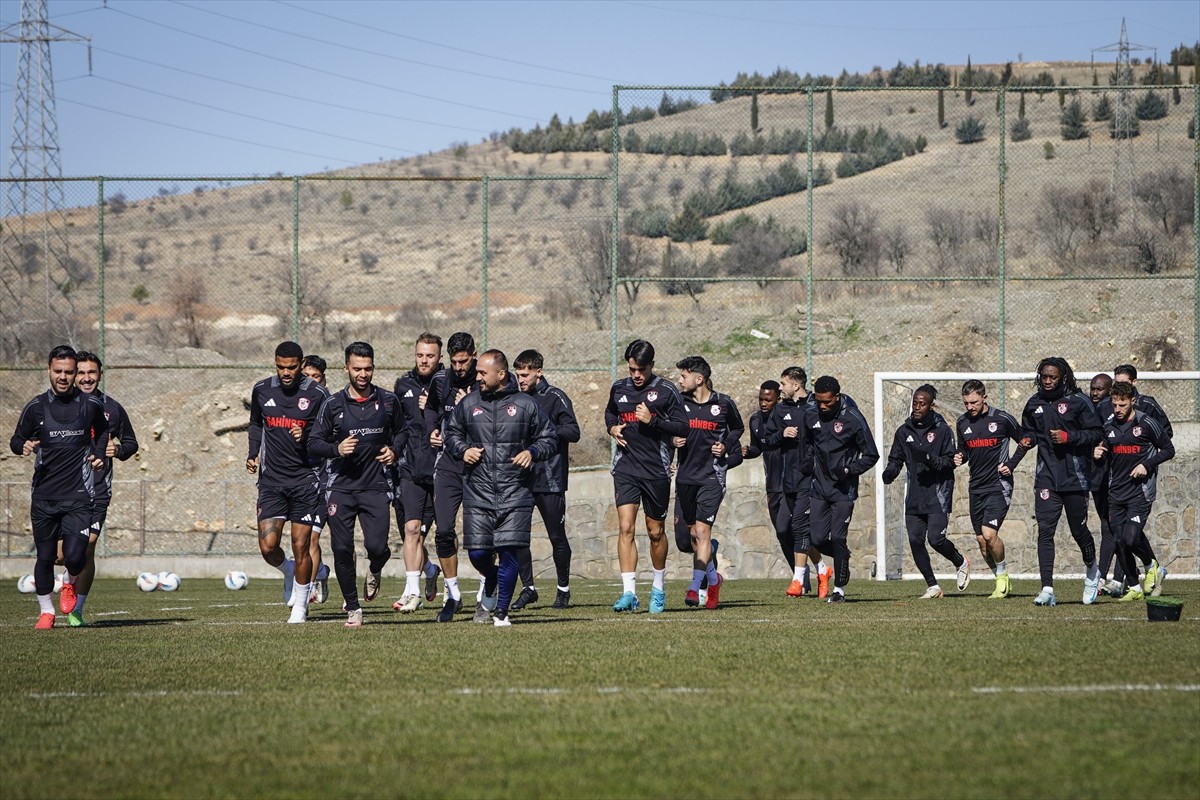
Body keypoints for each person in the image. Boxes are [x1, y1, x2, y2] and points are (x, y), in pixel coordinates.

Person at [443, 350, 556, 627]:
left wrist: (532, 451)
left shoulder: (526, 404)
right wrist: (463, 449)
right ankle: (490, 578)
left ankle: (501, 612)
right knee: (478, 553)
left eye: (483, 372)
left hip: (516, 490)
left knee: (510, 550)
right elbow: (451, 434)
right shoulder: (468, 404)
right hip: (478, 490)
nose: (477, 376)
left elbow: (549, 437)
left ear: (501, 374)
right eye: (477, 372)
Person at [9, 345, 109, 630]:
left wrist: (99, 455)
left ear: (75, 373)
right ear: (49, 371)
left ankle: (68, 582)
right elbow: (16, 439)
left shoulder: (90, 405)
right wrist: (23, 445)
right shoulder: (36, 407)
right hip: (44, 496)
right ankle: (46, 612)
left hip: (78, 495)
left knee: (76, 556)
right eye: (58, 371)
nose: (63, 377)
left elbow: (102, 433)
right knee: (45, 557)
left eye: (69, 372)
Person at [308, 341, 403, 627]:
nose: (363, 374)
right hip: (341, 488)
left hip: (375, 486)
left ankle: (375, 568)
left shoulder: (388, 402)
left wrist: (394, 451)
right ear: (346, 368)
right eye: (357, 368)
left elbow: (403, 432)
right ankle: (352, 607)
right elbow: (314, 443)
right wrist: (336, 449)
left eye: (368, 368)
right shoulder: (333, 405)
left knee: (377, 547)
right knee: (341, 548)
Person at [246, 341, 329, 623]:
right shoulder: (262, 390)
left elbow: (328, 434)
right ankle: (289, 570)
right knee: (268, 546)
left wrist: (306, 435)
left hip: (306, 480)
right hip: (271, 482)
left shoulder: (318, 394)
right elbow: (256, 424)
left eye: (292, 367)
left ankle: (301, 607)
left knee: (301, 544)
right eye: (281, 367)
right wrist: (252, 453)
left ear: (301, 364)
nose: (286, 372)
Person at [605, 339, 689, 614]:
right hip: (626, 468)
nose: (636, 375)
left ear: (651, 365)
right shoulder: (619, 388)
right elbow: (609, 413)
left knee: (655, 532)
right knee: (626, 528)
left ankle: (658, 588)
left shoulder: (666, 390)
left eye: (641, 369)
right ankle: (629, 592)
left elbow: (682, 427)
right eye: (632, 369)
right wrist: (613, 429)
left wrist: (652, 421)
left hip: (656, 471)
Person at [1017, 357, 1103, 607]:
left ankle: (1092, 572)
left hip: (1075, 478)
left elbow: (1097, 433)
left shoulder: (1079, 401)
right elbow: (1029, 431)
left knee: (1079, 531)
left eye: (1052, 377)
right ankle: (1047, 588)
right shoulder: (1034, 403)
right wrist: (1028, 440)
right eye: (1043, 376)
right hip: (1046, 478)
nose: (1046, 381)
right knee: (1045, 532)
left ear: (1063, 377)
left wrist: (1069, 437)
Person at [66, 352, 139, 626]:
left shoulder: (113, 409)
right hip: (62, 489)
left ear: (100, 374)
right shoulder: (59, 406)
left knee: (87, 548)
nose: (86, 378)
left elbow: (132, 443)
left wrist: (117, 449)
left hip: (97, 490)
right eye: (81, 372)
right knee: (63, 555)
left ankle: (77, 610)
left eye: (92, 373)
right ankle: (67, 580)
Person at [882, 385, 970, 599]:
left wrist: (930, 460)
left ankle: (960, 561)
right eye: (915, 403)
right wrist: (890, 472)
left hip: (938, 493)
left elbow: (951, 462)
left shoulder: (942, 430)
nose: (917, 407)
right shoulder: (904, 431)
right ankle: (933, 586)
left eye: (922, 403)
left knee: (936, 540)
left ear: (931, 405)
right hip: (914, 495)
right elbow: (896, 458)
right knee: (914, 539)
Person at [670, 356, 743, 610]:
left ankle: (694, 587)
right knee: (689, 536)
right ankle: (714, 578)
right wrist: (672, 441)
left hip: (712, 477)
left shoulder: (723, 404)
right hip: (685, 478)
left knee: (702, 532)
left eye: (683, 376)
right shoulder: (679, 403)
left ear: (698, 379)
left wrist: (725, 446)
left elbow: (738, 428)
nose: (680, 380)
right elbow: (667, 428)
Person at [798, 375, 878, 603]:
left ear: (838, 397)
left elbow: (871, 454)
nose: (823, 406)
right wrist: (806, 462)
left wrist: (849, 470)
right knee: (816, 538)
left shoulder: (852, 418)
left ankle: (839, 590)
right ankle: (843, 559)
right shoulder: (810, 414)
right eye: (819, 401)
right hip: (819, 488)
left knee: (838, 538)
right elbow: (807, 444)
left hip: (844, 490)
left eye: (828, 402)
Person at [1092, 381, 1175, 601]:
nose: (1117, 409)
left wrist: (1146, 465)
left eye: (1122, 404)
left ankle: (1151, 564)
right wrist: (1099, 454)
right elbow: (1108, 454)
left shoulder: (1147, 423)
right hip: (1115, 492)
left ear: (1132, 401)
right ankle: (1134, 588)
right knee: (1119, 541)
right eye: (1114, 404)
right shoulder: (1108, 426)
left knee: (1130, 538)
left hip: (1140, 492)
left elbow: (1168, 449)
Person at [513, 349, 580, 610]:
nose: (521, 379)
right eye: (518, 374)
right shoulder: (515, 398)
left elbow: (574, 431)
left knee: (556, 536)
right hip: (520, 479)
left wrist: (547, 430)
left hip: (550, 479)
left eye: (525, 374)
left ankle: (563, 590)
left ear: (539, 371)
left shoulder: (554, 397)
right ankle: (528, 588)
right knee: (517, 536)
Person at [760, 367, 832, 598]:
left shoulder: (815, 406)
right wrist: (782, 435)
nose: (780, 388)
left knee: (801, 526)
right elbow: (766, 440)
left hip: (810, 480)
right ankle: (822, 568)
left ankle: (797, 580)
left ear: (795, 385)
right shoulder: (780, 410)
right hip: (787, 481)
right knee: (784, 529)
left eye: (783, 383)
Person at [428, 332, 485, 620]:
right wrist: (434, 431)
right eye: (454, 362)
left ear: (474, 355)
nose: (459, 367)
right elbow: (431, 412)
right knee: (444, 531)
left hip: (479, 465)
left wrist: (472, 403)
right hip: (449, 463)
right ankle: (453, 595)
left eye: (464, 361)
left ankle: (485, 593)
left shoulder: (488, 379)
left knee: (481, 536)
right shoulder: (441, 381)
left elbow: (497, 419)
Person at [953, 379, 1024, 599]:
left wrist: (1011, 465)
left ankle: (1002, 577)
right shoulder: (962, 422)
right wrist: (959, 457)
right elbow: (964, 451)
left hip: (998, 485)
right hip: (976, 487)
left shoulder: (1001, 419)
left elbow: (1026, 440)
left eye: (973, 402)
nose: (970, 407)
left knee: (989, 534)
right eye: (966, 403)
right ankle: (1000, 578)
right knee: (982, 543)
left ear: (985, 397)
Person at [390, 333, 443, 616]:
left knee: (441, 533)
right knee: (411, 530)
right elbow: (397, 427)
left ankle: (438, 576)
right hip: (410, 469)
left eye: (430, 356)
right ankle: (412, 591)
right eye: (420, 355)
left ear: (439, 358)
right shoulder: (403, 385)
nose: (424, 360)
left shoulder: (447, 385)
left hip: (440, 471)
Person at [1087, 374, 1120, 596]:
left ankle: (1105, 577)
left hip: (1116, 480)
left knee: (1113, 528)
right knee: (1109, 526)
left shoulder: (1113, 412)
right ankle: (1125, 575)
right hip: (1097, 478)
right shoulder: (1089, 408)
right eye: (1092, 389)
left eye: (1100, 389)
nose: (1095, 393)